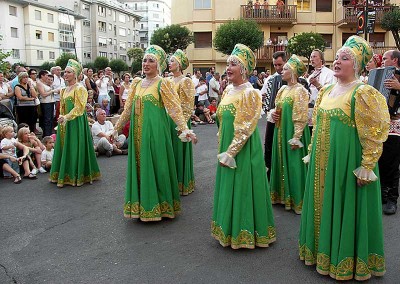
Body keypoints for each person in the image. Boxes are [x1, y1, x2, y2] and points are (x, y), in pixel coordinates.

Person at [299, 35, 389, 280]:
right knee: (322, 204)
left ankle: (343, 257)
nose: (338, 61)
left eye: (345, 58)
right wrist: (310, 154)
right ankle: (321, 251)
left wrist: (367, 165)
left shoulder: (363, 93)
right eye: (337, 57)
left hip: (346, 163)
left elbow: (375, 132)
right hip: (323, 162)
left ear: (357, 65)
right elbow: (316, 126)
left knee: (345, 205)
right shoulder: (326, 90)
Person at [113, 45, 197, 221]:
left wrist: (185, 128)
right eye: (144, 60)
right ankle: (143, 204)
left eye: (151, 60)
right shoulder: (136, 83)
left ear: (158, 65)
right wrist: (115, 129)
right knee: (140, 166)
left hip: (156, 133)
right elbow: (127, 110)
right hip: (138, 134)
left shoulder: (163, 83)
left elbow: (174, 109)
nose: (146, 63)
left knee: (156, 166)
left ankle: (160, 205)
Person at [212, 44, 275, 249]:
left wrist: (231, 152)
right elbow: (222, 120)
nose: (228, 67)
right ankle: (229, 228)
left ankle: (245, 232)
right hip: (227, 146)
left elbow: (245, 128)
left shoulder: (250, 93)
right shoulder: (229, 89)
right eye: (228, 63)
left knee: (243, 188)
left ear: (244, 69)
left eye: (234, 64)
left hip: (242, 149)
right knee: (229, 186)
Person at [269, 55, 310, 214]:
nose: (281, 71)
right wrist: (273, 115)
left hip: (293, 132)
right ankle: (281, 195)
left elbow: (301, 116)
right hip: (280, 130)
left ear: (293, 72)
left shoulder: (300, 90)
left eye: (285, 68)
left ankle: (296, 199)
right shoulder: (282, 89)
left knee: (294, 163)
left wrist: (297, 137)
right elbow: (276, 108)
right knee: (281, 160)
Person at [50, 59, 101, 187]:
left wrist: (66, 117)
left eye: (68, 72)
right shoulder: (64, 90)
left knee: (74, 146)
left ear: (75, 74)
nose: (65, 74)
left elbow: (80, 107)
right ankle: (65, 173)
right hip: (65, 122)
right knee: (64, 146)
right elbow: (62, 107)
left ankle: (76, 174)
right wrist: (61, 118)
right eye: (64, 72)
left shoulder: (80, 88)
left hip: (76, 121)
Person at [168, 49, 196, 195]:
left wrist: (182, 125)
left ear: (179, 64)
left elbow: (188, 105)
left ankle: (181, 182)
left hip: (180, 121)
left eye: (172, 61)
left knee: (178, 151)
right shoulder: (167, 81)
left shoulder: (186, 81)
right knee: (169, 151)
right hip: (167, 120)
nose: (169, 63)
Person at [261, 51, 287, 176]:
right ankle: (268, 171)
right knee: (269, 143)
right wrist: (267, 107)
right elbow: (263, 95)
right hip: (272, 117)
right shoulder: (270, 79)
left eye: (280, 65)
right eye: (275, 65)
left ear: (285, 62)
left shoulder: (294, 78)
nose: (277, 68)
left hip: (287, 119)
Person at [380, 49, 400, 214]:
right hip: (381, 124)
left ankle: (393, 198)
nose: (382, 60)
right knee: (382, 159)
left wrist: (399, 86)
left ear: (394, 60)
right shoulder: (382, 74)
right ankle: (383, 194)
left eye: (385, 58)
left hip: (396, 125)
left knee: (393, 163)